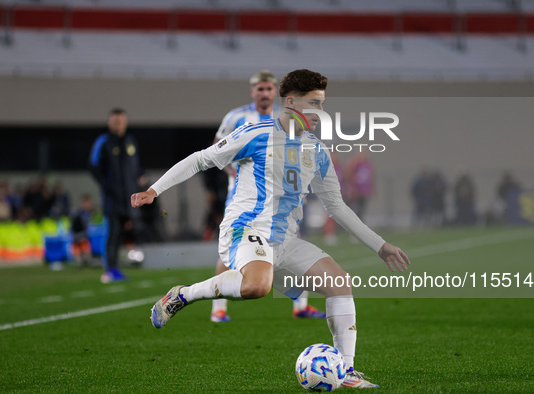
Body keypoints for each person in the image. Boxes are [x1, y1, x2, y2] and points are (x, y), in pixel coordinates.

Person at [131, 69, 411, 389]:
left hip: (285, 240)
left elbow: (337, 207)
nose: (321, 112)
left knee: (340, 284)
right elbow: (201, 159)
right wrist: (154, 190)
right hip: (245, 228)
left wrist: (380, 245)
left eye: (322, 104)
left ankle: (345, 372)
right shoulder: (256, 133)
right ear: (290, 102)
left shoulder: (317, 152)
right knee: (257, 287)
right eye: (314, 103)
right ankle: (183, 295)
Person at [210, 69, 325, 322]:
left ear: (276, 92)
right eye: (259, 89)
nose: (264, 93)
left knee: (294, 241)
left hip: (282, 196)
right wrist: (233, 172)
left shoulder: (283, 117)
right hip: (244, 198)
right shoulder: (236, 117)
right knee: (229, 254)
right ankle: (218, 309)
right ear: (252, 91)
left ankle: (301, 305)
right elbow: (218, 150)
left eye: (269, 89)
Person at [89, 108, 144, 283]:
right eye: (115, 121)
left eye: (121, 121)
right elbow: (93, 166)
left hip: (129, 199)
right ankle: (109, 270)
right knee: (112, 233)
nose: (118, 124)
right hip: (112, 199)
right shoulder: (104, 142)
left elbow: (136, 167)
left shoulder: (130, 142)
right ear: (109, 123)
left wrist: (141, 177)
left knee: (122, 233)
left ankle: (116, 267)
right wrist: (108, 187)